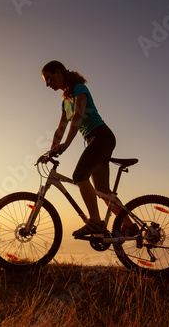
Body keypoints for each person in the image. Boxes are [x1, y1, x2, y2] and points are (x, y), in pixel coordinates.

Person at [41, 60, 120, 236]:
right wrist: (51, 150)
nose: (47, 84)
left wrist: (66, 145)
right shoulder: (65, 101)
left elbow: (78, 115)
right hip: (95, 140)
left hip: (101, 137)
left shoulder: (78, 88)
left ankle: (95, 223)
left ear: (58, 72)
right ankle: (129, 226)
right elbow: (61, 127)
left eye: (48, 78)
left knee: (79, 176)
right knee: (102, 191)